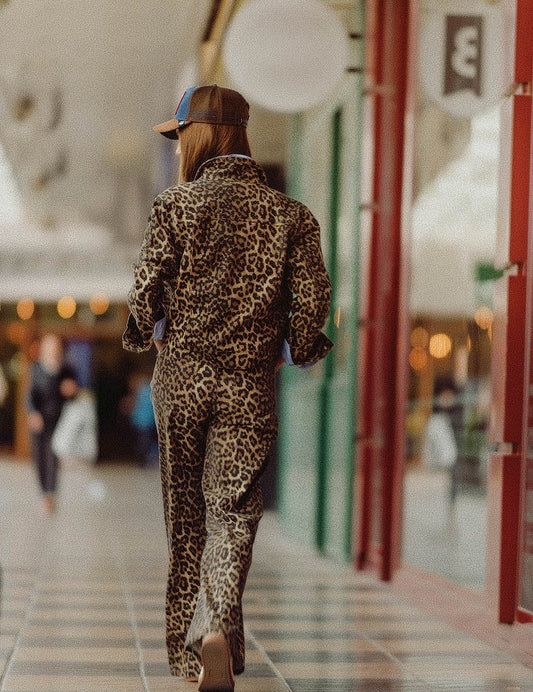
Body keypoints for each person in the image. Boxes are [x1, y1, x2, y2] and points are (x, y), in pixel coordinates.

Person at [123, 84, 333, 691]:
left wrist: (148, 333)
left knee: (186, 518)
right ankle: (216, 629)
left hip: (183, 378)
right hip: (247, 385)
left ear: (198, 136)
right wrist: (296, 345)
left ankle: (192, 653)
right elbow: (312, 300)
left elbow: (145, 292)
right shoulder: (291, 216)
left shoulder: (175, 206)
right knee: (233, 515)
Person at [27, 333, 76, 513]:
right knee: (40, 458)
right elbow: (30, 396)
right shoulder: (36, 369)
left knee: (52, 457)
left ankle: (51, 494)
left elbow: (74, 394)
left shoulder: (66, 370)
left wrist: (71, 391)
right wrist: (33, 413)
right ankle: (44, 492)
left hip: (59, 422)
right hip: (40, 422)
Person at [51, 374, 98, 467]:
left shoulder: (83, 405)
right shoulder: (68, 403)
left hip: (77, 457)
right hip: (68, 455)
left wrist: (60, 450)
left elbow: (70, 431)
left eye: (68, 385)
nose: (65, 388)